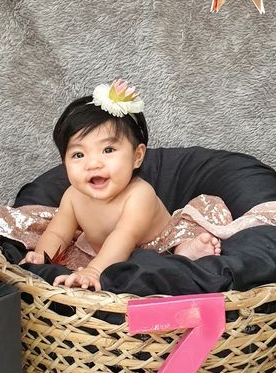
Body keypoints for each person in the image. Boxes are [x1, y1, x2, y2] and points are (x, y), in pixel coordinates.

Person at [21, 80, 221, 291]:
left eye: (108, 150)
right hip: (108, 255)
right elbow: (58, 234)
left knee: (162, 256)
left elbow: (124, 236)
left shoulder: (139, 194)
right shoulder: (73, 196)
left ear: (137, 156)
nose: (93, 164)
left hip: (157, 249)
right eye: (78, 154)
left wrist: (94, 271)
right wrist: (42, 256)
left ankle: (185, 252)